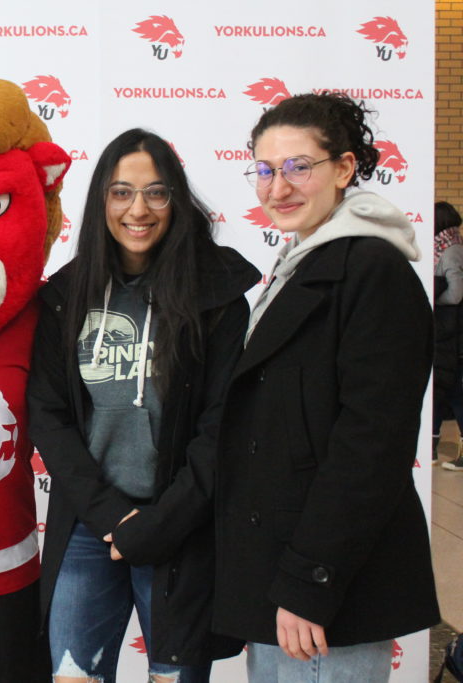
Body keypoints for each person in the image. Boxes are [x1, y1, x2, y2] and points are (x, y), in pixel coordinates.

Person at [214, 92, 439, 682]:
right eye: (265, 170)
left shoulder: (372, 271)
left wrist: (309, 580)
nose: (277, 187)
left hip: (323, 588)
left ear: (343, 169)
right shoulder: (300, 265)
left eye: (298, 168)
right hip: (281, 575)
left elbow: (372, 446)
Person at [27, 128, 258, 683]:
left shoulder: (217, 295)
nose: (139, 209)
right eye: (121, 192)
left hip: (179, 527)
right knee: (72, 675)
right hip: (89, 523)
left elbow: (220, 427)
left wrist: (160, 524)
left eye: (156, 192)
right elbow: (48, 415)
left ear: (176, 200)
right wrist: (112, 516)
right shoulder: (66, 294)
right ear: (101, 201)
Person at [434, 201, 463, 468]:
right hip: (447, 333)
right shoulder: (446, 245)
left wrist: (434, 300)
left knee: (451, 390)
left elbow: (456, 294)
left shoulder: (450, 249)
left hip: (449, 333)